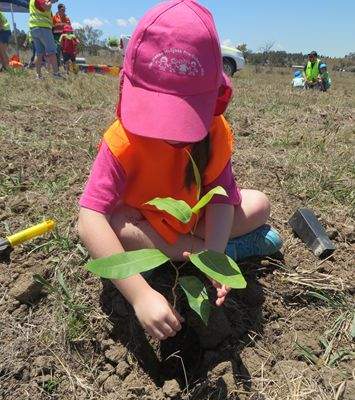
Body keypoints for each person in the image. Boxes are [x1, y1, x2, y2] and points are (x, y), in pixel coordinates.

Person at [78, 0, 283, 342]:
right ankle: (204, 253)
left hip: (192, 219)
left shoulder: (215, 134)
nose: (169, 133)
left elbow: (220, 198)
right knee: (116, 226)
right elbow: (88, 219)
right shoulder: (122, 141)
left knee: (259, 204)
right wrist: (141, 296)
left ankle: (212, 254)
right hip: (145, 226)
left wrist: (215, 255)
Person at [29, 0, 62, 79]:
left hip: (34, 28)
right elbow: (46, 7)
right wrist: (50, 1)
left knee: (39, 53)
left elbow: (41, 6)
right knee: (52, 51)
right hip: (43, 28)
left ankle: (39, 75)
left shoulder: (31, 1)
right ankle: (56, 74)